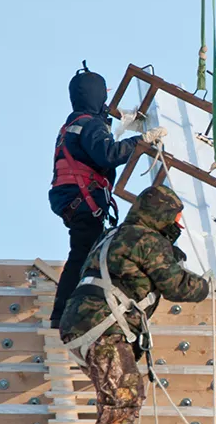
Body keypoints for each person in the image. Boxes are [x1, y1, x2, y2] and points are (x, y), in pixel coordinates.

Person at [59, 185, 210, 424]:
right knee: (123, 395)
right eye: (174, 219)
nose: (177, 226)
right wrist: (206, 285)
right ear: (161, 216)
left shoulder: (115, 234)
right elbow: (177, 285)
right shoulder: (146, 239)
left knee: (123, 392)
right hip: (103, 324)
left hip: (84, 321)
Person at [49, 63, 167, 328]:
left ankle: (76, 311)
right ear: (98, 96)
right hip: (83, 201)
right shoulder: (91, 125)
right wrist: (141, 141)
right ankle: (63, 317)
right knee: (83, 256)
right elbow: (108, 154)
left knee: (88, 253)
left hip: (72, 199)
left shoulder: (73, 124)